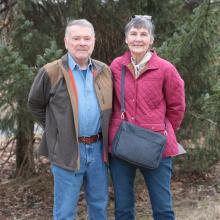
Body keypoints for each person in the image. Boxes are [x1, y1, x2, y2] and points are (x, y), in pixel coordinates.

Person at [28, 19, 112, 220]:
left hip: (99, 152)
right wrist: (56, 131)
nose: (82, 43)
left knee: (99, 207)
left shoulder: (104, 71)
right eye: (76, 38)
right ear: (66, 42)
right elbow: (34, 104)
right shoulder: (51, 72)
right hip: (67, 151)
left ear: (94, 41)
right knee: (65, 212)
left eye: (86, 38)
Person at [108, 15, 185, 220]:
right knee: (123, 209)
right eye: (133, 34)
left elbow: (177, 107)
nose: (138, 38)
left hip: (156, 146)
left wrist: (162, 128)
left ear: (151, 40)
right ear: (126, 39)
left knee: (162, 209)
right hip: (122, 145)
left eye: (144, 34)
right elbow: (107, 100)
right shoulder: (116, 66)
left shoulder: (166, 69)